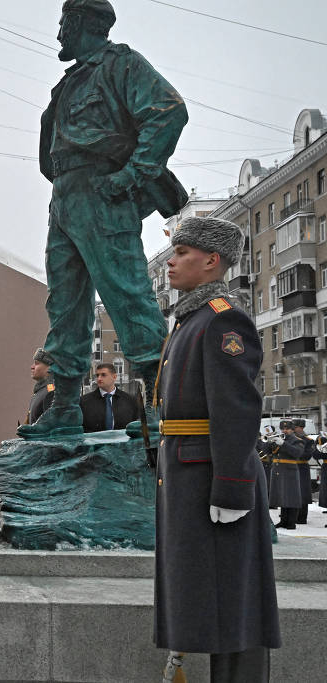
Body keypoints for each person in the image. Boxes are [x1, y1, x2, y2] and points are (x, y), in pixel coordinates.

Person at [18, 0, 188, 440]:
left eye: (63, 24)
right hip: (66, 197)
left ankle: (159, 404)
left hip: (102, 193)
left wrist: (132, 175)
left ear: (81, 23)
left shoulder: (120, 64)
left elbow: (168, 110)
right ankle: (64, 407)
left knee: (127, 294)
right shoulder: (70, 82)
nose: (58, 34)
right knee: (65, 303)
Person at [154, 217, 279, 681]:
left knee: (234, 602)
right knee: (205, 598)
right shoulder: (192, 319)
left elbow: (236, 409)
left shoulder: (222, 318)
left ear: (211, 260)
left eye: (182, 253)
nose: (171, 262)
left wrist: (231, 487)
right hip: (189, 473)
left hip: (210, 477)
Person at [79, 363, 138, 433]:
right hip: (94, 439)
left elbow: (136, 426)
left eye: (103, 375)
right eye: (97, 375)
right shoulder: (84, 401)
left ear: (114, 377)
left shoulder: (130, 400)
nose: (99, 378)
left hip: (123, 439)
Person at [268, 420, 304, 530]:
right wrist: (269, 442)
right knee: (282, 496)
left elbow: (297, 453)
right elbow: (267, 452)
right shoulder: (279, 438)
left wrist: (283, 444)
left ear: (292, 430)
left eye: (287, 429)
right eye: (283, 429)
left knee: (292, 497)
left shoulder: (297, 440)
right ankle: (283, 521)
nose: (284, 431)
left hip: (290, 471)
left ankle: (291, 522)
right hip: (278, 470)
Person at [291, 419, 314, 524]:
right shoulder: (290, 438)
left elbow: (307, 455)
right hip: (291, 467)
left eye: (295, 427)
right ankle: (291, 515)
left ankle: (302, 517)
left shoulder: (308, 440)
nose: (294, 429)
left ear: (301, 427)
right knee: (291, 492)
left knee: (303, 492)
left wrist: (293, 451)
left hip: (302, 467)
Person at [26, 348, 56, 425]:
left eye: (37, 363)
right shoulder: (41, 391)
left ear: (49, 367)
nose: (32, 367)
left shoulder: (51, 392)